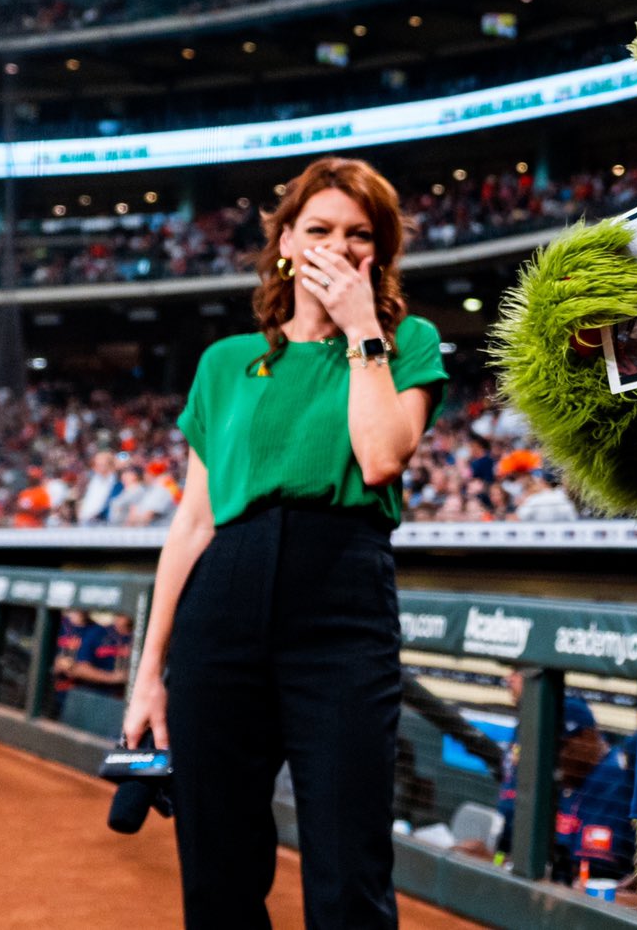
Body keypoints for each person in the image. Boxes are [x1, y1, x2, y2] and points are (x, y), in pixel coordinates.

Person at [120, 156, 447, 930]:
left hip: (342, 595)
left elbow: (380, 457)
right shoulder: (225, 362)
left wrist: (365, 326)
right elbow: (193, 522)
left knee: (348, 868)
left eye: (359, 236)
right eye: (320, 230)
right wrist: (148, 673)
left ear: (381, 253)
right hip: (221, 600)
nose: (337, 247)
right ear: (286, 243)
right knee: (218, 869)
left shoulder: (411, 342)